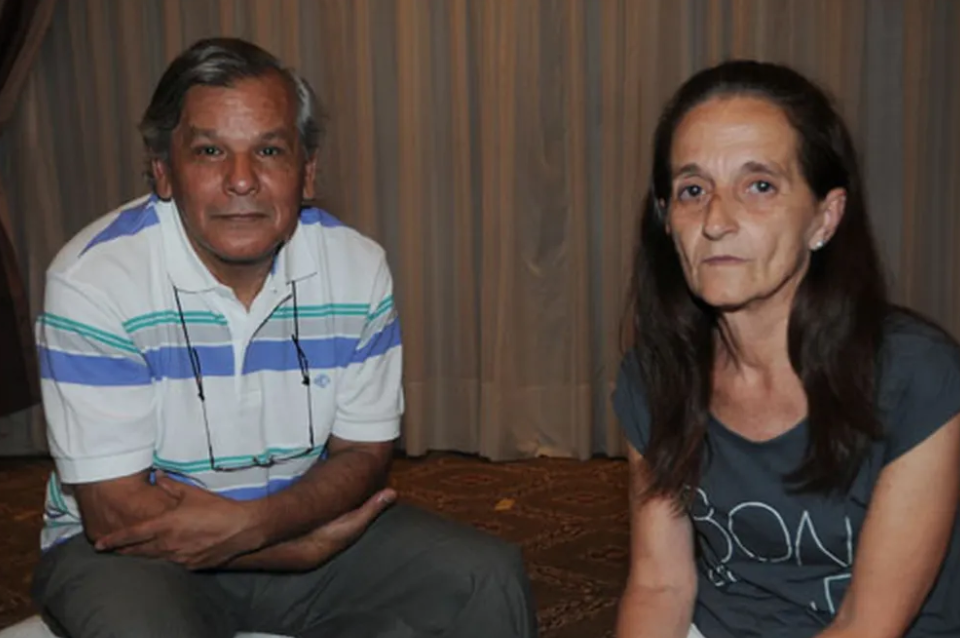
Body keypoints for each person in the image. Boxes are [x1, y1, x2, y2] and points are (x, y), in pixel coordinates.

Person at [31, 37, 537, 638]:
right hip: (134, 557)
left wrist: (261, 526)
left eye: (268, 150)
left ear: (307, 171)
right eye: (210, 151)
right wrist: (287, 550)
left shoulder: (356, 269)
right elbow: (113, 513)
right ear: (163, 171)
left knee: (484, 578)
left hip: (295, 523)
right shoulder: (94, 281)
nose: (242, 180)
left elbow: (363, 454)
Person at [612, 60, 960, 638]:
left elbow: (866, 624)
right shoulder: (655, 374)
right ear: (667, 220)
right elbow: (660, 586)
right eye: (693, 190)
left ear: (824, 218)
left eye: (760, 186)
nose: (717, 221)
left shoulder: (915, 377)